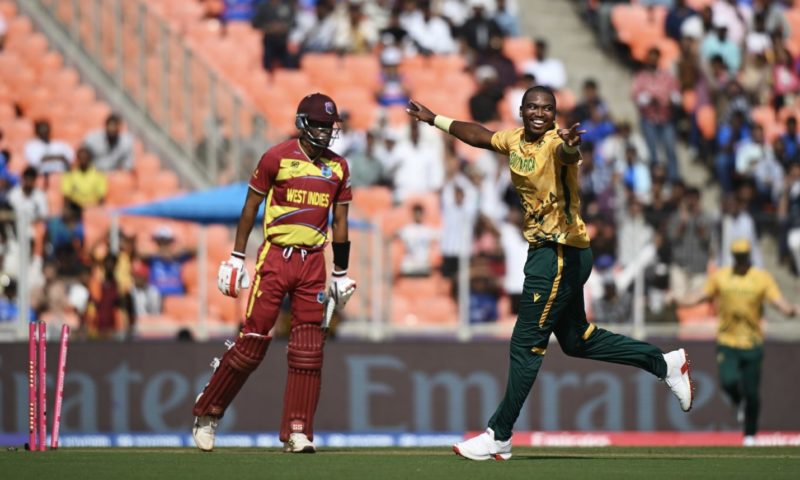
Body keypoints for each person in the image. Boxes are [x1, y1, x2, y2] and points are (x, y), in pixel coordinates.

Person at [406, 85, 693, 461]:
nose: (540, 113)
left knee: (526, 342)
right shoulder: (514, 140)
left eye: (547, 108)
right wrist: (435, 120)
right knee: (577, 340)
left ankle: (499, 434)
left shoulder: (558, 143)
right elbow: (480, 136)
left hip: (559, 252)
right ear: (522, 111)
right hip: (551, 252)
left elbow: (568, 152)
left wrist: (572, 143)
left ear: (555, 115)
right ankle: (665, 363)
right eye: (534, 107)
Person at [191, 93, 356, 454]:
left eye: (331, 127)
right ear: (303, 123)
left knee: (309, 349)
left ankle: (298, 430)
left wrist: (341, 272)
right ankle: (208, 412)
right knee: (253, 342)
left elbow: (340, 223)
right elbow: (251, 206)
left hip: (314, 261)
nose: (326, 133)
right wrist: (236, 257)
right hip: (276, 257)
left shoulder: (339, 167)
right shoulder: (276, 158)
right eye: (320, 125)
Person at [678, 239, 798, 447]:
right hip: (728, 341)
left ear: (749, 256)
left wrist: (791, 309)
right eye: (738, 257)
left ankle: (750, 434)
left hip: (752, 342)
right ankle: (737, 401)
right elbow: (701, 295)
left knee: (752, 392)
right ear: (733, 256)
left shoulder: (761, 278)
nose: (741, 261)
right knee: (728, 381)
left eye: (744, 257)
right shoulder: (721, 277)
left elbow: (779, 302)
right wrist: (679, 299)